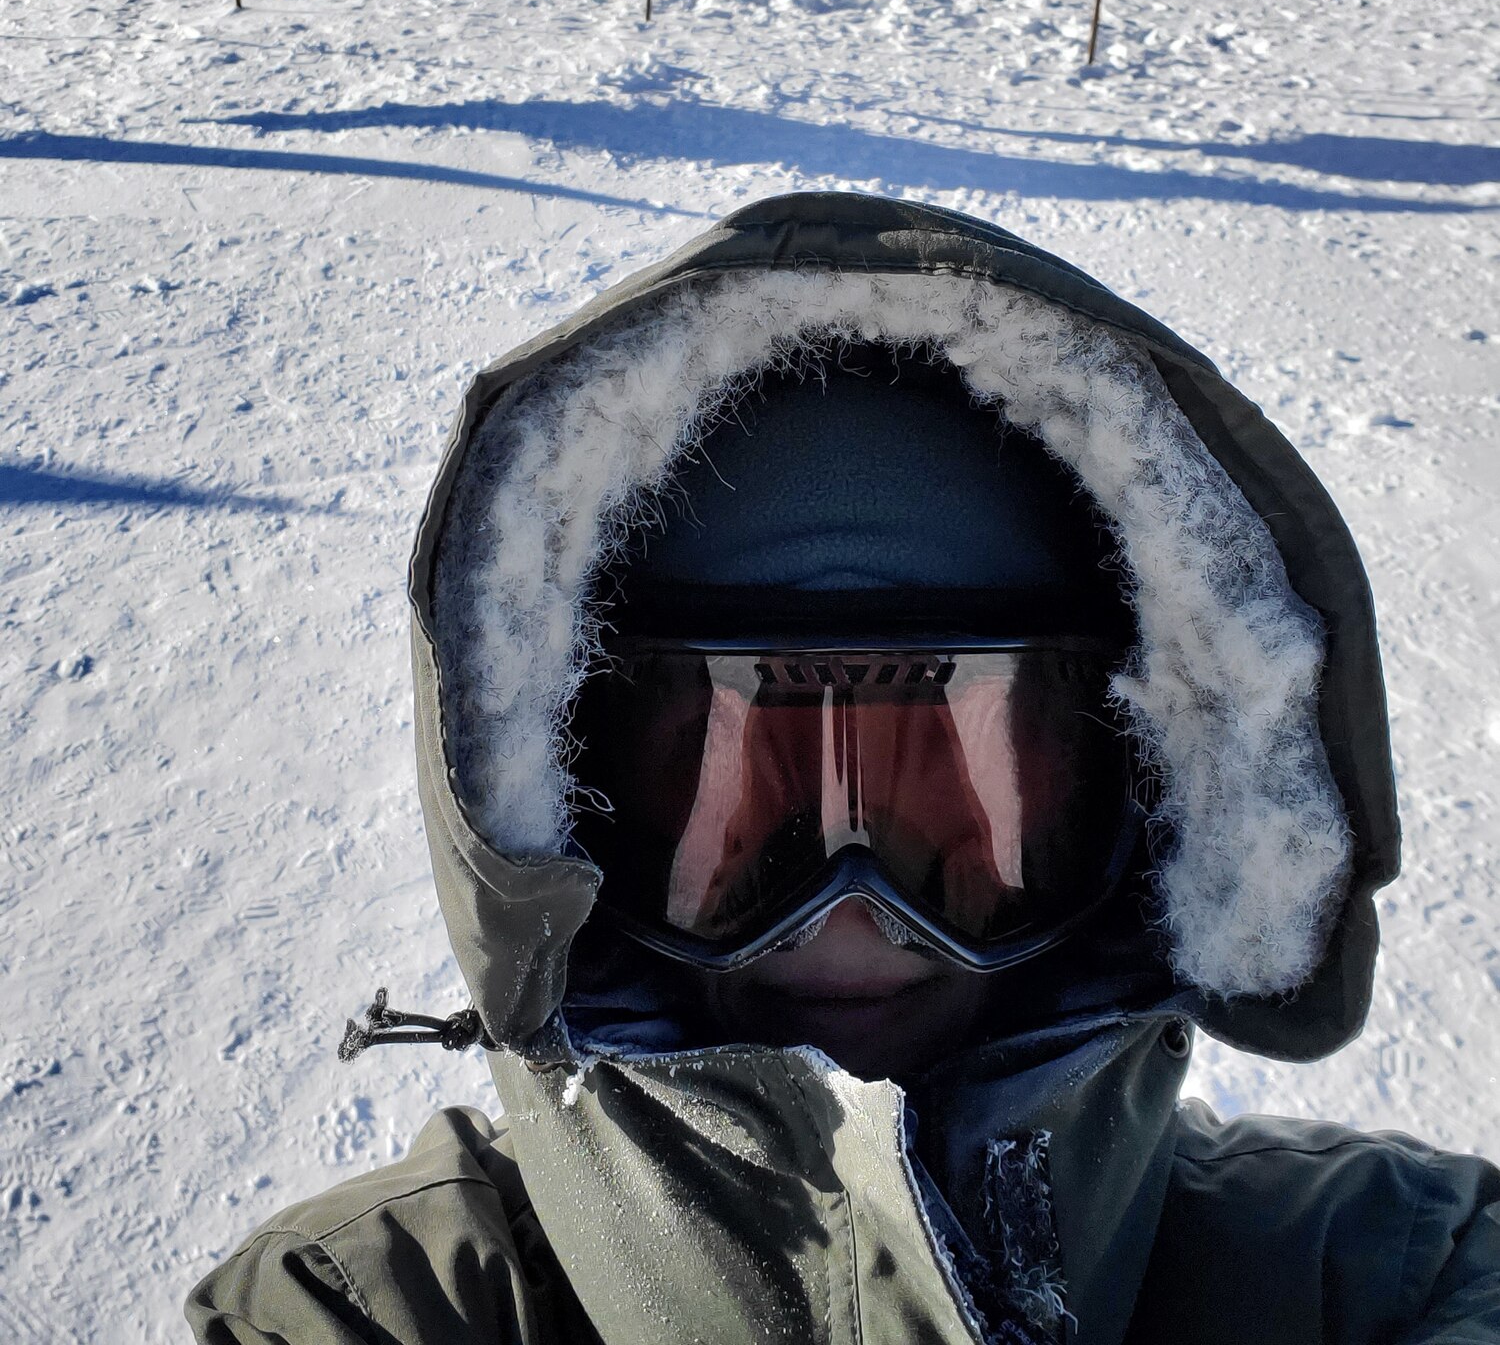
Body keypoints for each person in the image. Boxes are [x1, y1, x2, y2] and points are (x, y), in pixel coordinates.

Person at [187, 192, 1500, 1343]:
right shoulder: (371, 1306)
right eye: (730, 802)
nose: (855, 918)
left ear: (1145, 798)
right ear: (562, 819)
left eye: (965, 801)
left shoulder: (1389, 1272)